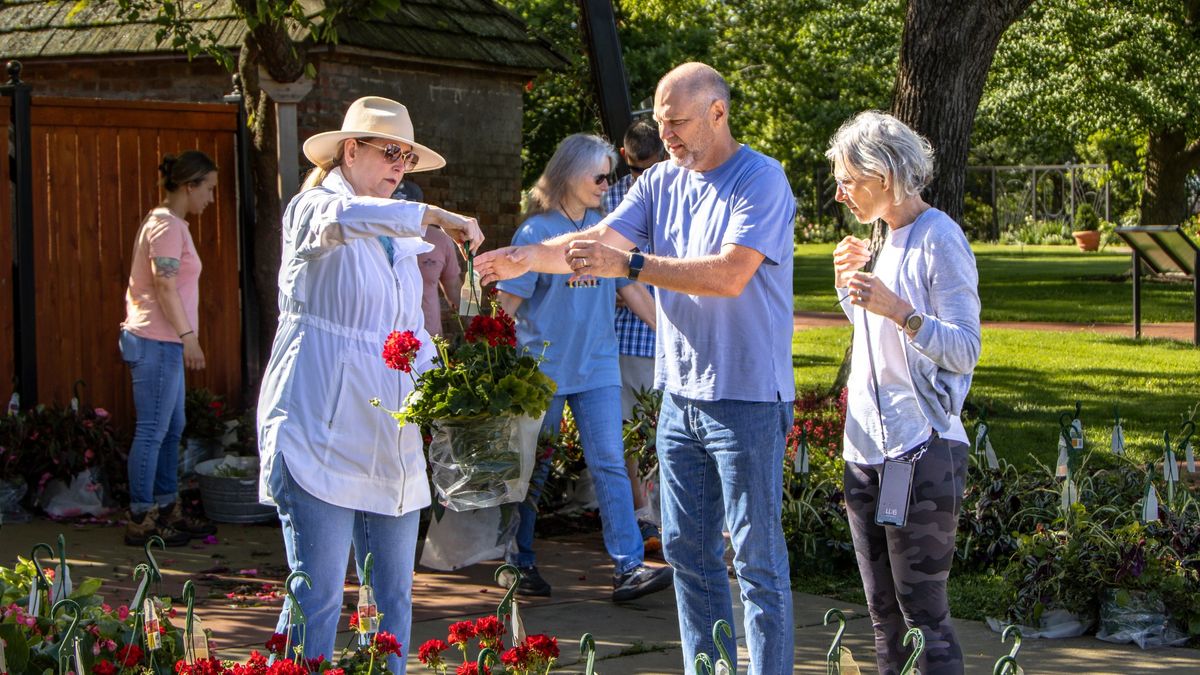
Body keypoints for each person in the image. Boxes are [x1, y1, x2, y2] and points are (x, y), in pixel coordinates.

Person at [477, 63, 796, 674]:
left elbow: (727, 275)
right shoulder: (660, 184)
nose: (666, 135)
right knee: (686, 552)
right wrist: (518, 258)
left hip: (749, 397)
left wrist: (631, 265)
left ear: (717, 113)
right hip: (679, 398)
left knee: (755, 558)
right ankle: (710, 668)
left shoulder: (762, 179)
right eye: (661, 122)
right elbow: (592, 242)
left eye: (677, 122)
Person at [256, 96, 483, 673]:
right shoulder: (314, 209)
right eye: (390, 153)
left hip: (391, 435)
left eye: (407, 156)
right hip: (319, 430)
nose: (400, 166)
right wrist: (431, 214)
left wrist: (463, 393)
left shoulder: (400, 231)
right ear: (349, 151)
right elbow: (345, 221)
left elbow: (410, 334)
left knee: (392, 603)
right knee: (319, 598)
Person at [828, 111, 981, 675]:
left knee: (924, 613)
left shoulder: (940, 236)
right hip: (864, 450)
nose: (841, 192)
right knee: (880, 612)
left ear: (884, 173)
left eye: (849, 179)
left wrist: (900, 310)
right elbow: (874, 342)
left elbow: (964, 348)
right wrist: (850, 288)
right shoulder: (883, 238)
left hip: (921, 448)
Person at [494, 133, 673, 602]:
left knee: (611, 464)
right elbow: (507, 302)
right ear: (571, 173)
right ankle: (518, 562)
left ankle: (629, 567)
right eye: (600, 174)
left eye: (610, 174)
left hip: (597, 366)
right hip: (542, 370)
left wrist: (669, 334)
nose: (606, 183)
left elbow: (629, 286)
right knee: (533, 467)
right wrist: (489, 358)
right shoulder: (536, 233)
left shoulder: (603, 228)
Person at [119, 150, 219, 547]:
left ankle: (165, 506)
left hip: (163, 342)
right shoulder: (166, 225)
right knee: (153, 430)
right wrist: (187, 336)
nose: (211, 198)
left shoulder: (171, 223)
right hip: (155, 341)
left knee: (171, 428)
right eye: (208, 188)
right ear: (188, 185)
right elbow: (164, 284)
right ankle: (141, 516)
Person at [604, 118, 667, 553]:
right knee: (631, 431)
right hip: (625, 337)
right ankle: (643, 514)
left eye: (652, 166)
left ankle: (665, 513)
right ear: (625, 157)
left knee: (661, 429)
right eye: (637, 168)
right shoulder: (609, 196)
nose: (643, 177)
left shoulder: (679, 190)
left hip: (665, 333)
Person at [392, 179, 463, 337]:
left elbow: (454, 287)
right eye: (398, 210)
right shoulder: (375, 238)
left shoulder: (440, 239)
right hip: (389, 343)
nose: (405, 219)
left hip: (430, 338)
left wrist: (475, 329)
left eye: (411, 211)